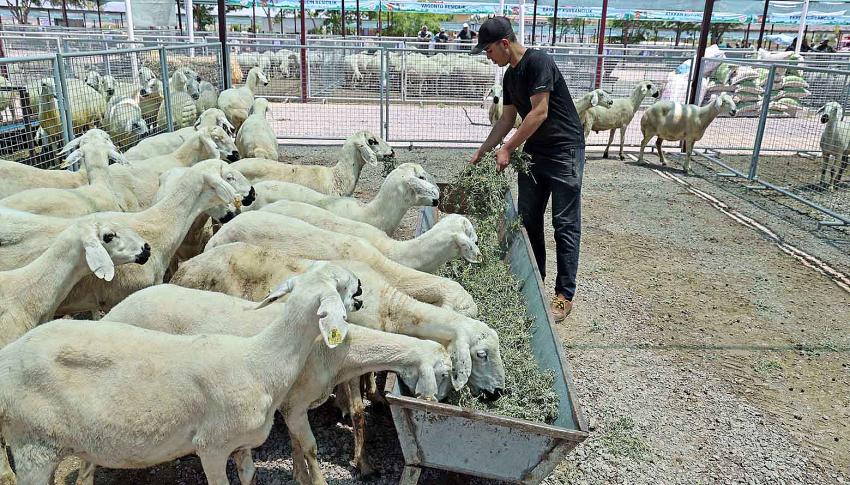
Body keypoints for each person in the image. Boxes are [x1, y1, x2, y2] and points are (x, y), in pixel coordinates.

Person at [469, 16, 585, 321]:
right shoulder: (509, 77)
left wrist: (507, 148)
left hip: (564, 150)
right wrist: (485, 149)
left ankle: (563, 296)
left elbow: (539, 112)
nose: (488, 56)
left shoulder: (538, 63)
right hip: (536, 151)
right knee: (528, 220)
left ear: (504, 44)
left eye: (489, 50)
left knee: (564, 224)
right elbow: (506, 120)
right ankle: (536, 284)